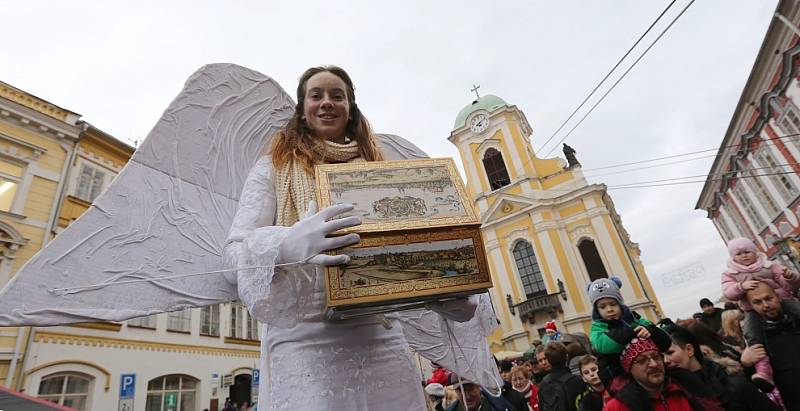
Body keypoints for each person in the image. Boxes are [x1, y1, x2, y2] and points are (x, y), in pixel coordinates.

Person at [222, 65, 497, 410]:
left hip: (380, 335)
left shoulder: (381, 169)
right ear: (302, 110)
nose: (327, 103)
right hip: (305, 340)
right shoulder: (273, 167)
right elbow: (233, 254)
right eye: (316, 95)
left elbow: (410, 251)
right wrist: (286, 244)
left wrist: (445, 288)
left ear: (350, 108)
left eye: (337, 96)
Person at [720, 237, 800, 390]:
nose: (744, 256)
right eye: (739, 254)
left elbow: (790, 284)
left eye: (747, 252)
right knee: (752, 337)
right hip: (793, 395)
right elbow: (729, 292)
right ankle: (764, 371)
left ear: (755, 252)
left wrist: (790, 277)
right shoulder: (731, 273)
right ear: (732, 257)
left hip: (785, 300)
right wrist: (741, 286)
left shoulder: (768, 265)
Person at [663, 325, 781, 411]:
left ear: (689, 350)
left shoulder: (734, 385)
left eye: (670, 352)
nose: (665, 361)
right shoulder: (672, 396)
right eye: (659, 356)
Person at [603, 337, 723, 410]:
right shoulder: (617, 407)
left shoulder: (687, 387)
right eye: (642, 360)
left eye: (656, 357)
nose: (654, 364)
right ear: (628, 369)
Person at [586, 277, 670, 382]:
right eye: (603, 307)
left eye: (613, 304)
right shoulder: (597, 327)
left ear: (620, 304)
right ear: (597, 310)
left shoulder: (633, 318)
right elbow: (604, 345)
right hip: (617, 376)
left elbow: (665, 341)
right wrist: (633, 331)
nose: (609, 309)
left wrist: (650, 331)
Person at [745, 282, 800, 410]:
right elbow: (758, 380)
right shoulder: (756, 338)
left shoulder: (797, 321)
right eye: (757, 302)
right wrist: (746, 364)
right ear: (751, 306)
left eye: (769, 298)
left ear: (778, 296)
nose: (765, 305)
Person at [536, 342, 585, 411]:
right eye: (540, 360)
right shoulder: (578, 381)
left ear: (549, 360)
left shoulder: (542, 384)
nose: (543, 362)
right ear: (567, 356)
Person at [445, 374, 516, 411]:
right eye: (461, 391)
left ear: (479, 386)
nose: (467, 396)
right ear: (456, 391)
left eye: (470, 389)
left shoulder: (500, 406)